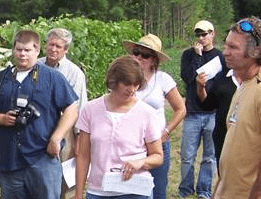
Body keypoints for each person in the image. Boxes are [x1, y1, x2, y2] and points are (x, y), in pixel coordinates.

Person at [0, 29, 79, 199]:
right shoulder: (0, 79)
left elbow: (71, 109)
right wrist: (1, 119)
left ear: (37, 51)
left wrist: (56, 138)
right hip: (9, 160)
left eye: (28, 50)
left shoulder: (52, 78)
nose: (22, 54)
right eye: (19, 49)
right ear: (13, 50)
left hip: (42, 159)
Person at [213, 17, 261, 199]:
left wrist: (257, 195)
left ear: (256, 50)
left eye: (233, 47)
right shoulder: (244, 86)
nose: (225, 52)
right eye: (226, 46)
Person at [74, 55, 164, 199]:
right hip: (98, 191)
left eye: (136, 85)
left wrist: (141, 162)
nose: (132, 90)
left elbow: (158, 156)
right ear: (114, 82)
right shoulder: (90, 110)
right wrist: (78, 194)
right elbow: (83, 156)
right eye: (127, 84)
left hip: (134, 191)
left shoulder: (147, 113)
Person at [123, 34, 186, 199]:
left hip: (156, 144)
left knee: (158, 191)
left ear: (154, 60)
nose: (138, 57)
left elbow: (180, 109)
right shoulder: (124, 79)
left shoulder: (163, 80)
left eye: (145, 55)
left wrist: (166, 131)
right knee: (131, 191)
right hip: (131, 146)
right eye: (136, 52)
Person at [36, 28, 88, 198]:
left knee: (62, 176)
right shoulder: (35, 65)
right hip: (38, 128)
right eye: (51, 44)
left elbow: (79, 108)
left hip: (64, 130)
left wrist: (79, 141)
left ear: (66, 50)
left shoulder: (74, 73)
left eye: (58, 46)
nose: (53, 49)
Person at [178, 20, 225, 198]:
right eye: (198, 34)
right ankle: (185, 189)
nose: (201, 38)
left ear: (212, 34)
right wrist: (197, 57)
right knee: (187, 156)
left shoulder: (220, 57)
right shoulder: (188, 55)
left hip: (212, 113)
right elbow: (188, 78)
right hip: (193, 112)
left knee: (209, 157)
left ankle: (204, 190)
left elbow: (221, 84)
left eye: (204, 34)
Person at [195, 68, 238, 174]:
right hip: (223, 137)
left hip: (248, 139)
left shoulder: (258, 80)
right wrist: (200, 87)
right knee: (224, 176)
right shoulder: (221, 78)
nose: (226, 53)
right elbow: (207, 104)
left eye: (233, 49)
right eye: (227, 49)